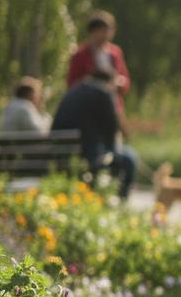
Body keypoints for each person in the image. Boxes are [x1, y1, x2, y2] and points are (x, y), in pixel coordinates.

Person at [52, 68, 139, 199]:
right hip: (89, 154)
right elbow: (111, 131)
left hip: (60, 152)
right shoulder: (104, 93)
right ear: (109, 81)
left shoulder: (74, 90)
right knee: (130, 158)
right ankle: (121, 200)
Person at [66, 10, 130, 122]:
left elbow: (126, 81)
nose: (105, 35)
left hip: (113, 106)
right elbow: (72, 84)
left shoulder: (116, 53)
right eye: (101, 31)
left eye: (108, 31)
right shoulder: (80, 55)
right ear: (92, 32)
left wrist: (119, 82)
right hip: (88, 108)